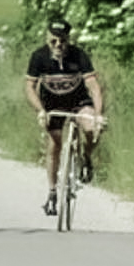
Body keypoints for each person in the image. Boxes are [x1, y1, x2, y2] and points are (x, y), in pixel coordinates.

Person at [24, 19, 104, 216]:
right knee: (54, 145)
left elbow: (93, 86)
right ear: (47, 38)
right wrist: (40, 110)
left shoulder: (79, 55)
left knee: (92, 128)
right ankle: (52, 192)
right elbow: (29, 87)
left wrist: (98, 115)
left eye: (63, 42)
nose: (58, 46)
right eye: (54, 42)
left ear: (68, 40)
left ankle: (85, 157)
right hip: (52, 104)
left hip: (78, 102)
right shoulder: (39, 56)